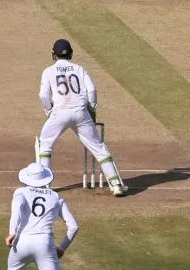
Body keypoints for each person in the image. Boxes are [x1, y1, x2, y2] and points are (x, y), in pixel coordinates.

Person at [36, 39, 128, 196]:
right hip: (81, 113)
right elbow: (91, 91)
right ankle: (116, 184)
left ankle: (44, 187)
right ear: (71, 53)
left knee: (44, 145)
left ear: (53, 53)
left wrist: (49, 111)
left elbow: (43, 95)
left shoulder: (48, 71)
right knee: (98, 148)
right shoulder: (80, 69)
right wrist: (91, 108)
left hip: (59, 113)